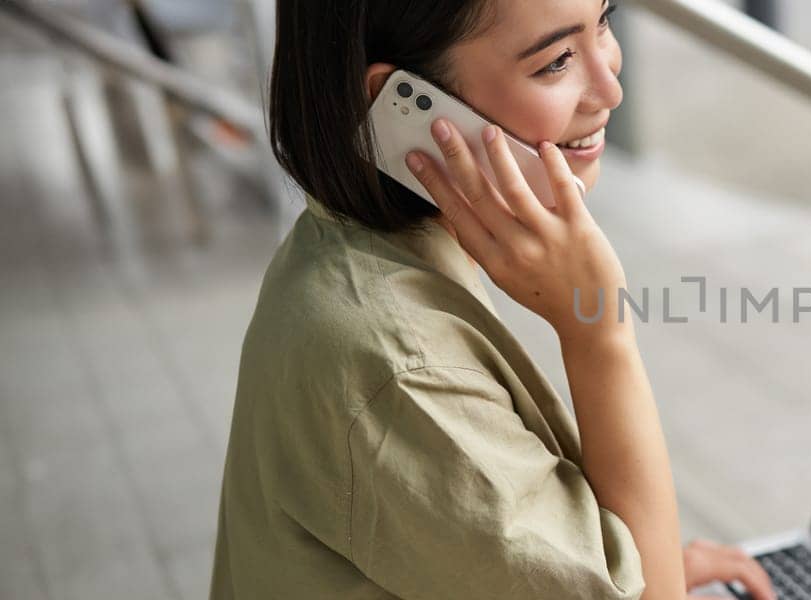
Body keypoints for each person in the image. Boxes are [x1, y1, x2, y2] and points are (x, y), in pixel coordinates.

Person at [210, 1, 775, 598]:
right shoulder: (396, 365)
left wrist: (622, 556)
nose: (611, 88)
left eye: (604, 20)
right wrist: (600, 333)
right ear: (403, 100)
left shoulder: (344, 245)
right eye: (556, 60)